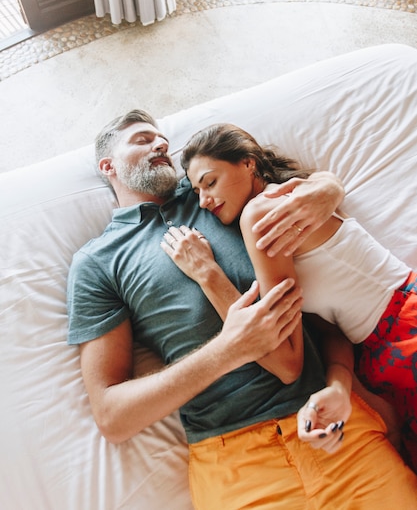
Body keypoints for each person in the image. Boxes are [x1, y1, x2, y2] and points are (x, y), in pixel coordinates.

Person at [67, 109, 417, 509]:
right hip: (232, 461)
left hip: (335, 431)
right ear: (107, 166)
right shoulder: (97, 262)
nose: (160, 144)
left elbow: (323, 321)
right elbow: (112, 417)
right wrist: (229, 348)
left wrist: (328, 186)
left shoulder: (223, 198)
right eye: (142, 139)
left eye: (162, 139)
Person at [167, 121, 417, 471]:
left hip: (403, 329)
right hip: (385, 345)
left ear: (248, 163)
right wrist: (341, 387)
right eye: (197, 192)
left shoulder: (261, 212)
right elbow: (330, 330)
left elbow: (285, 357)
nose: (205, 199)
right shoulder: (292, 200)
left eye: (210, 181)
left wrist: (208, 275)